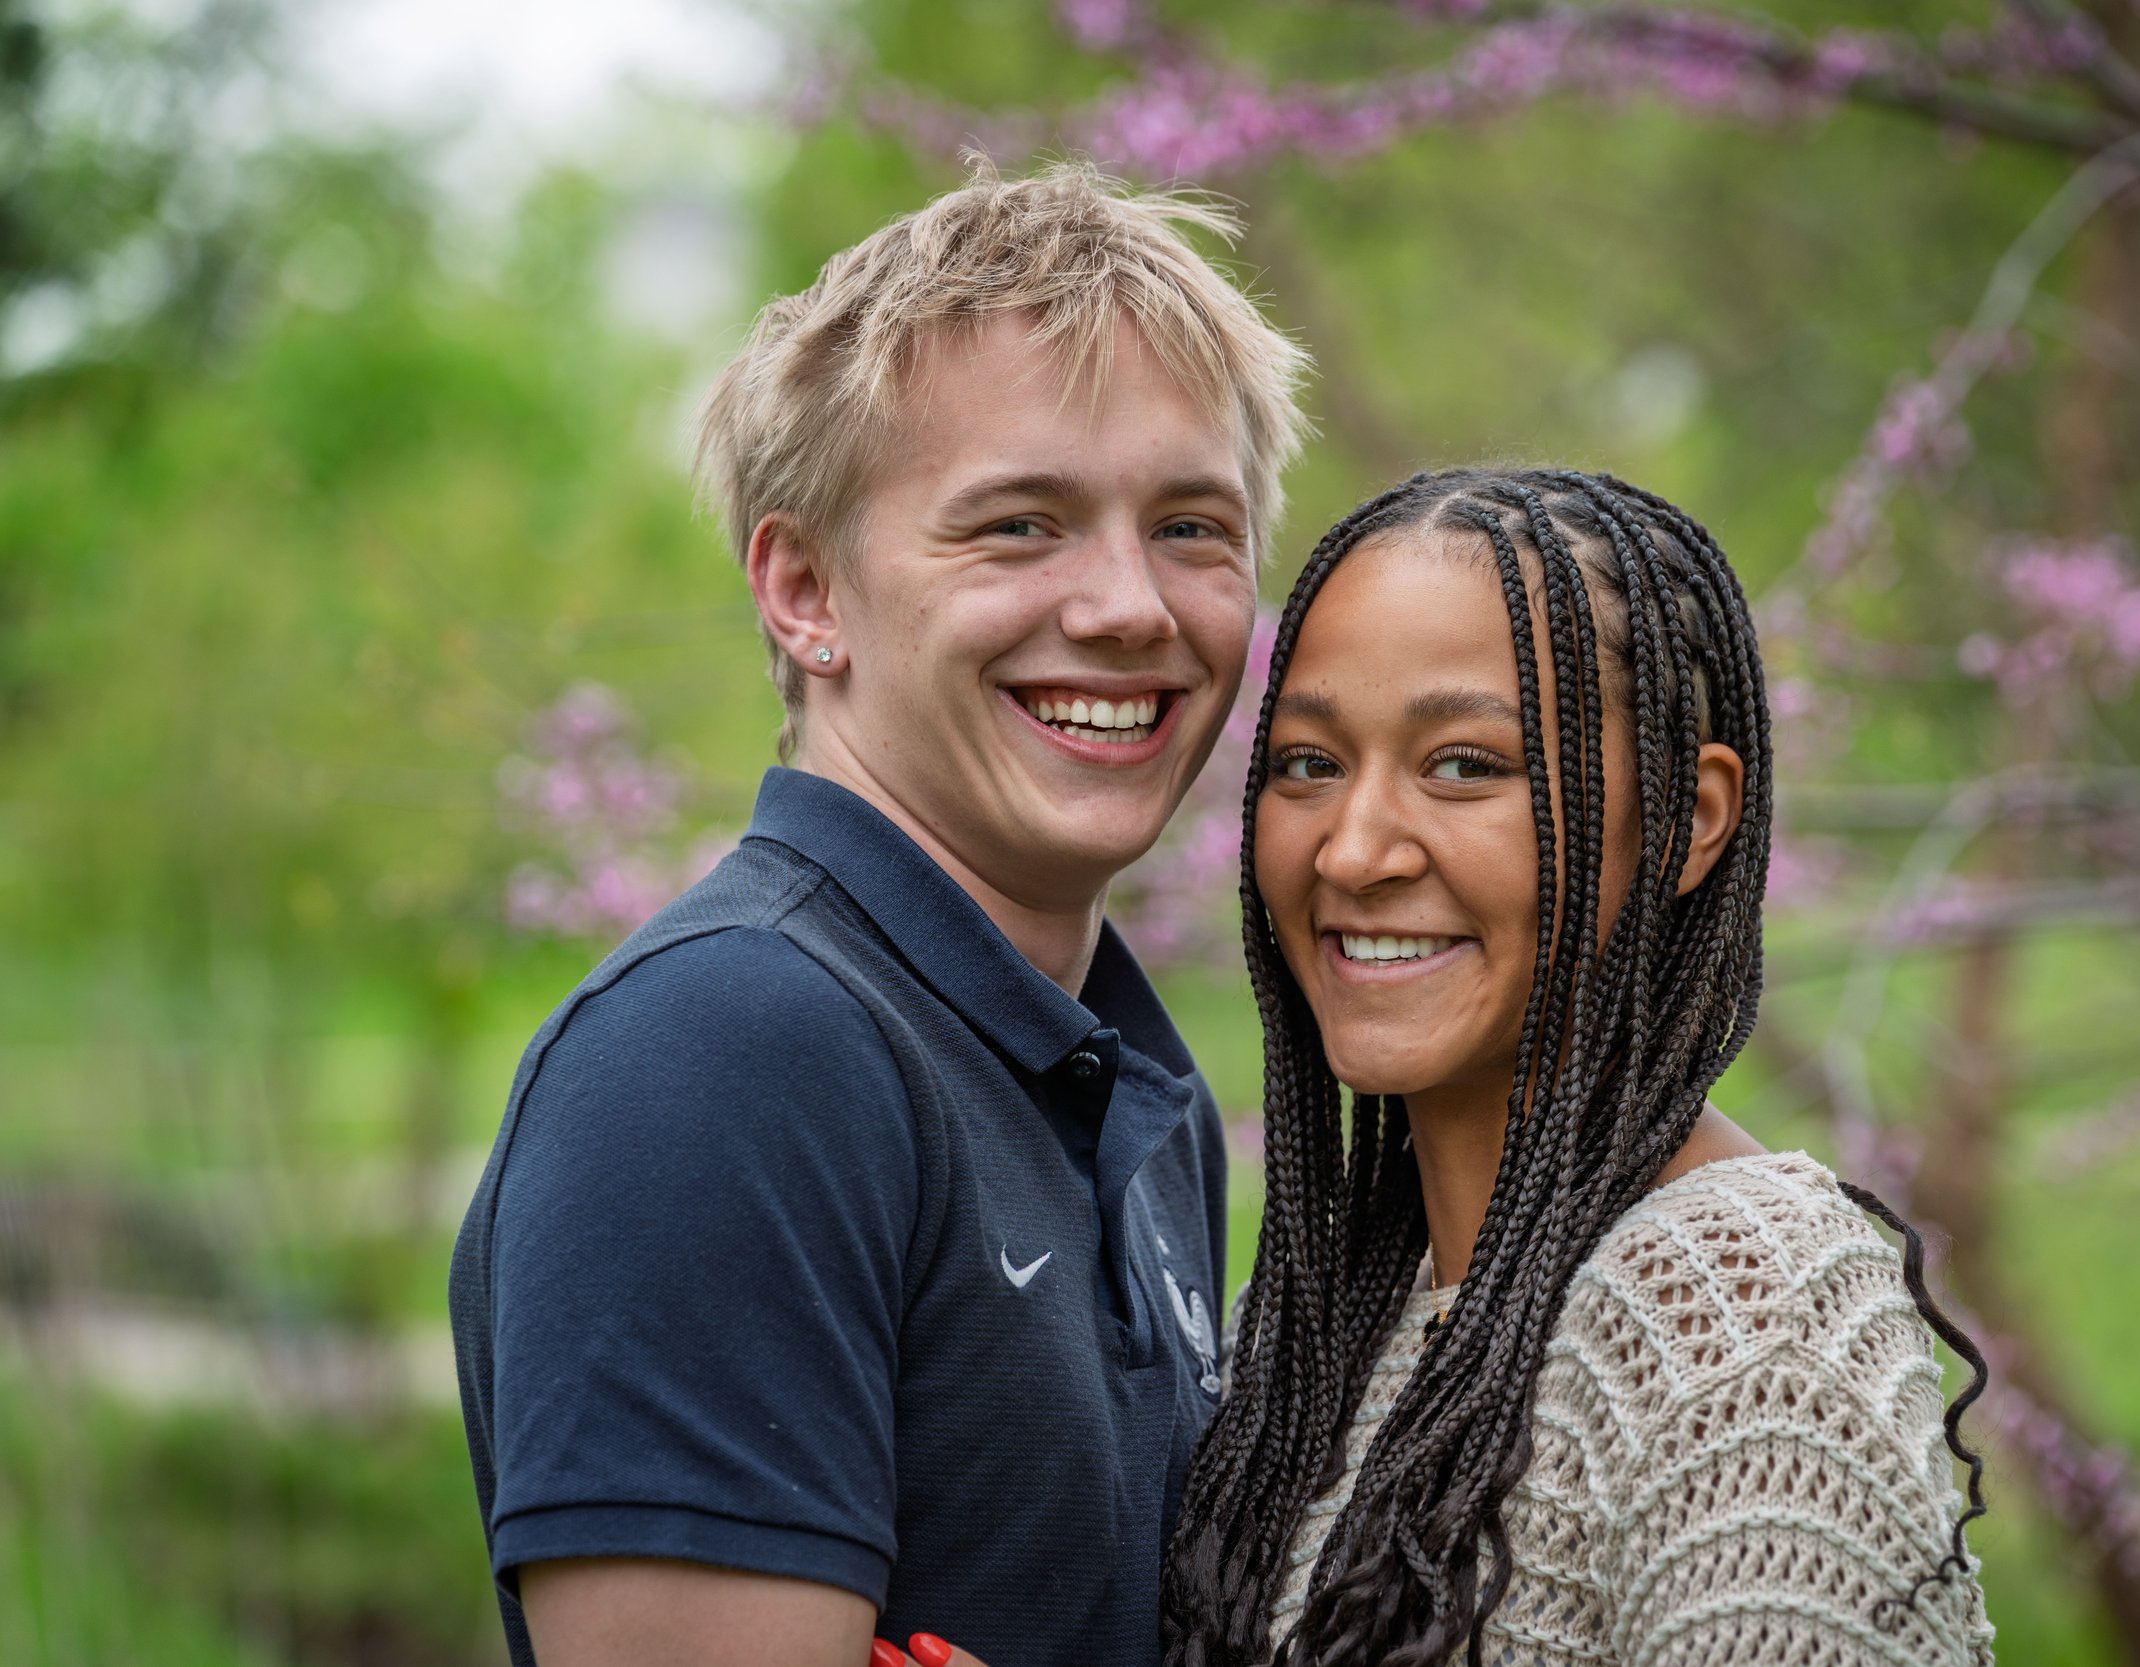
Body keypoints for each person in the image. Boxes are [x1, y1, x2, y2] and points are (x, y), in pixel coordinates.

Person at [447, 161, 1309, 1667]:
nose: (1130, 606)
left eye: (1191, 527)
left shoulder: (1129, 1091)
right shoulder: (727, 1052)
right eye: (1019, 526)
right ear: (804, 590)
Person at [1156, 468, 1997, 1667]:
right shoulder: (1320, 1327)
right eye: (1306, 763)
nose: (1351, 847)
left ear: (1685, 817)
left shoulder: (1745, 1328)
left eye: (1463, 765)